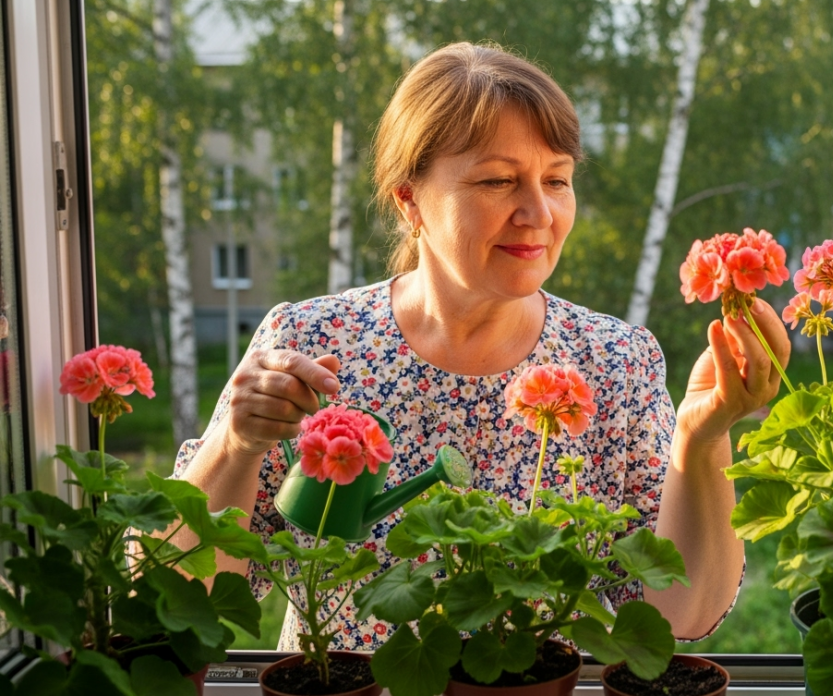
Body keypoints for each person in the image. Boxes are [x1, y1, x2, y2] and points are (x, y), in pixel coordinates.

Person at [171, 42, 789, 651]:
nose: (538, 213)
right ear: (409, 199)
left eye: (557, 179)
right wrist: (235, 446)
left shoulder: (616, 361)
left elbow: (684, 614)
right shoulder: (314, 344)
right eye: (498, 181)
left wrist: (702, 438)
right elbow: (180, 593)